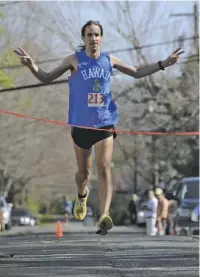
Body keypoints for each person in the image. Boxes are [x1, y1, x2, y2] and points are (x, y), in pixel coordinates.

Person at [13, 20, 185, 235]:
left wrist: (163, 64)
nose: (93, 38)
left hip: (104, 122)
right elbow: (47, 77)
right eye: (89, 35)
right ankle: (82, 195)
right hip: (80, 125)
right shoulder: (74, 60)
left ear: (101, 38)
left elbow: (137, 71)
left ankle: (104, 215)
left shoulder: (109, 60)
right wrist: (31, 65)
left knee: (104, 167)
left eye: (96, 35)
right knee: (83, 174)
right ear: (83, 38)